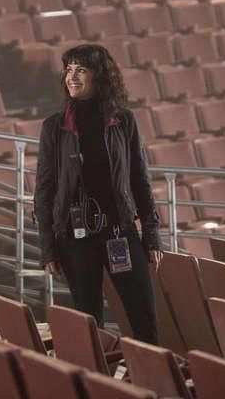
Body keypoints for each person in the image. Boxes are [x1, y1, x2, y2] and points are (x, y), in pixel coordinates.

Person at [34, 43, 161, 344]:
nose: (72, 77)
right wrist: (48, 248)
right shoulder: (53, 127)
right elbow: (44, 191)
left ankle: (153, 384)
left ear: (99, 75)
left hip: (120, 231)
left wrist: (152, 235)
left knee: (144, 315)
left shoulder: (124, 121)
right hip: (75, 239)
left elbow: (139, 181)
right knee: (90, 323)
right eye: (68, 70)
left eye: (81, 70)